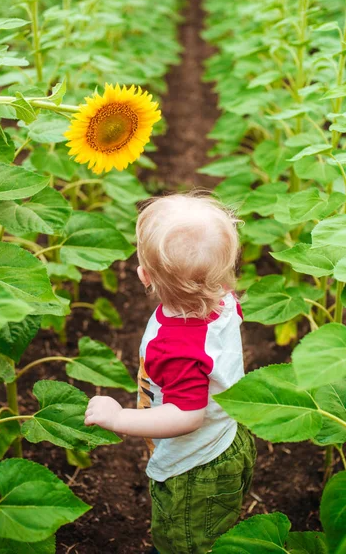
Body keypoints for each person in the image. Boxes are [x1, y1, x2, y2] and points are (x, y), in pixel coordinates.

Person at [84, 193, 256, 554]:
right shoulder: (223, 299)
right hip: (226, 437)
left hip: (195, 465)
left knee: (186, 541)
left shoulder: (176, 347)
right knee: (212, 531)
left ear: (144, 277)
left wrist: (119, 418)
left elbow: (187, 414)